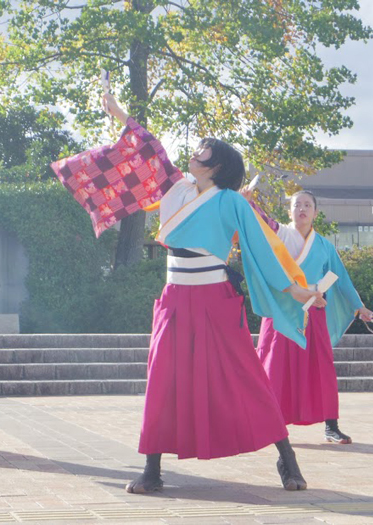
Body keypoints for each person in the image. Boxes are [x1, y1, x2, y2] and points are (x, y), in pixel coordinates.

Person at [96, 95, 322, 493]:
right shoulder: (177, 188)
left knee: (247, 377)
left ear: (216, 165)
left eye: (202, 151)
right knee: (162, 379)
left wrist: (294, 288)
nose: (194, 154)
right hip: (173, 299)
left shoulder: (231, 201)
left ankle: (287, 459)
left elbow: (261, 248)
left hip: (215, 301)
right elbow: (151, 148)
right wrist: (116, 111)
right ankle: (152, 469)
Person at [243, 188, 373, 444]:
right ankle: (270, 423)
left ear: (315, 212)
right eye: (296, 205)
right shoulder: (279, 235)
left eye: (307, 205)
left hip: (314, 311)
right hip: (282, 307)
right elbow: (263, 223)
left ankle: (331, 425)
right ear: (289, 211)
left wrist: (359, 306)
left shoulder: (324, 245)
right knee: (274, 364)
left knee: (321, 365)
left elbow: (342, 279)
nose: (301, 209)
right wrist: (250, 203)